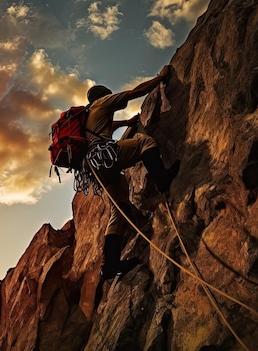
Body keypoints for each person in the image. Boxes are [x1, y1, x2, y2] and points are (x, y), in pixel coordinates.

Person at [84, 65, 180, 281]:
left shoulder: (89, 115)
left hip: (96, 169)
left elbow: (106, 126)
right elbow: (133, 93)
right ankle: (162, 179)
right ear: (104, 95)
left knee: (118, 211)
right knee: (144, 142)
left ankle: (111, 265)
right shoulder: (103, 102)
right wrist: (160, 78)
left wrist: (126, 123)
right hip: (107, 156)